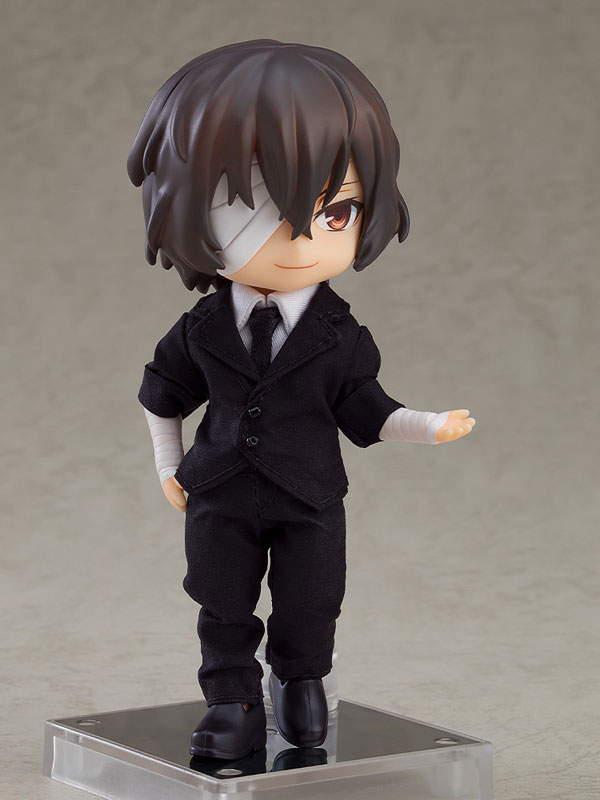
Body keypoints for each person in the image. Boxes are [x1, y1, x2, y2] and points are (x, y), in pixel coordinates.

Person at [127, 39, 475, 761]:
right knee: (220, 601)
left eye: (335, 212)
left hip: (310, 495)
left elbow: (368, 409)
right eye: (248, 208)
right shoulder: (199, 329)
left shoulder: (340, 336)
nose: (298, 240)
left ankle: (300, 682)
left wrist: (427, 425)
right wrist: (166, 464)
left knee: (312, 600)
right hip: (219, 491)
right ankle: (230, 700)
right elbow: (163, 394)